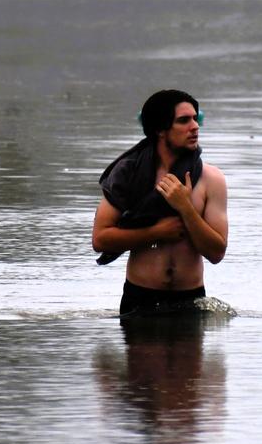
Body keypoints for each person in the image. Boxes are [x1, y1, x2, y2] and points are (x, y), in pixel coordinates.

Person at [92, 90, 229, 317]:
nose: (195, 126)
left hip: (191, 299)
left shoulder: (211, 179)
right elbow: (100, 239)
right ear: (160, 129)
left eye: (196, 118)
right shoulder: (128, 173)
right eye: (184, 121)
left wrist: (185, 207)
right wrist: (156, 232)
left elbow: (216, 253)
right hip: (139, 298)